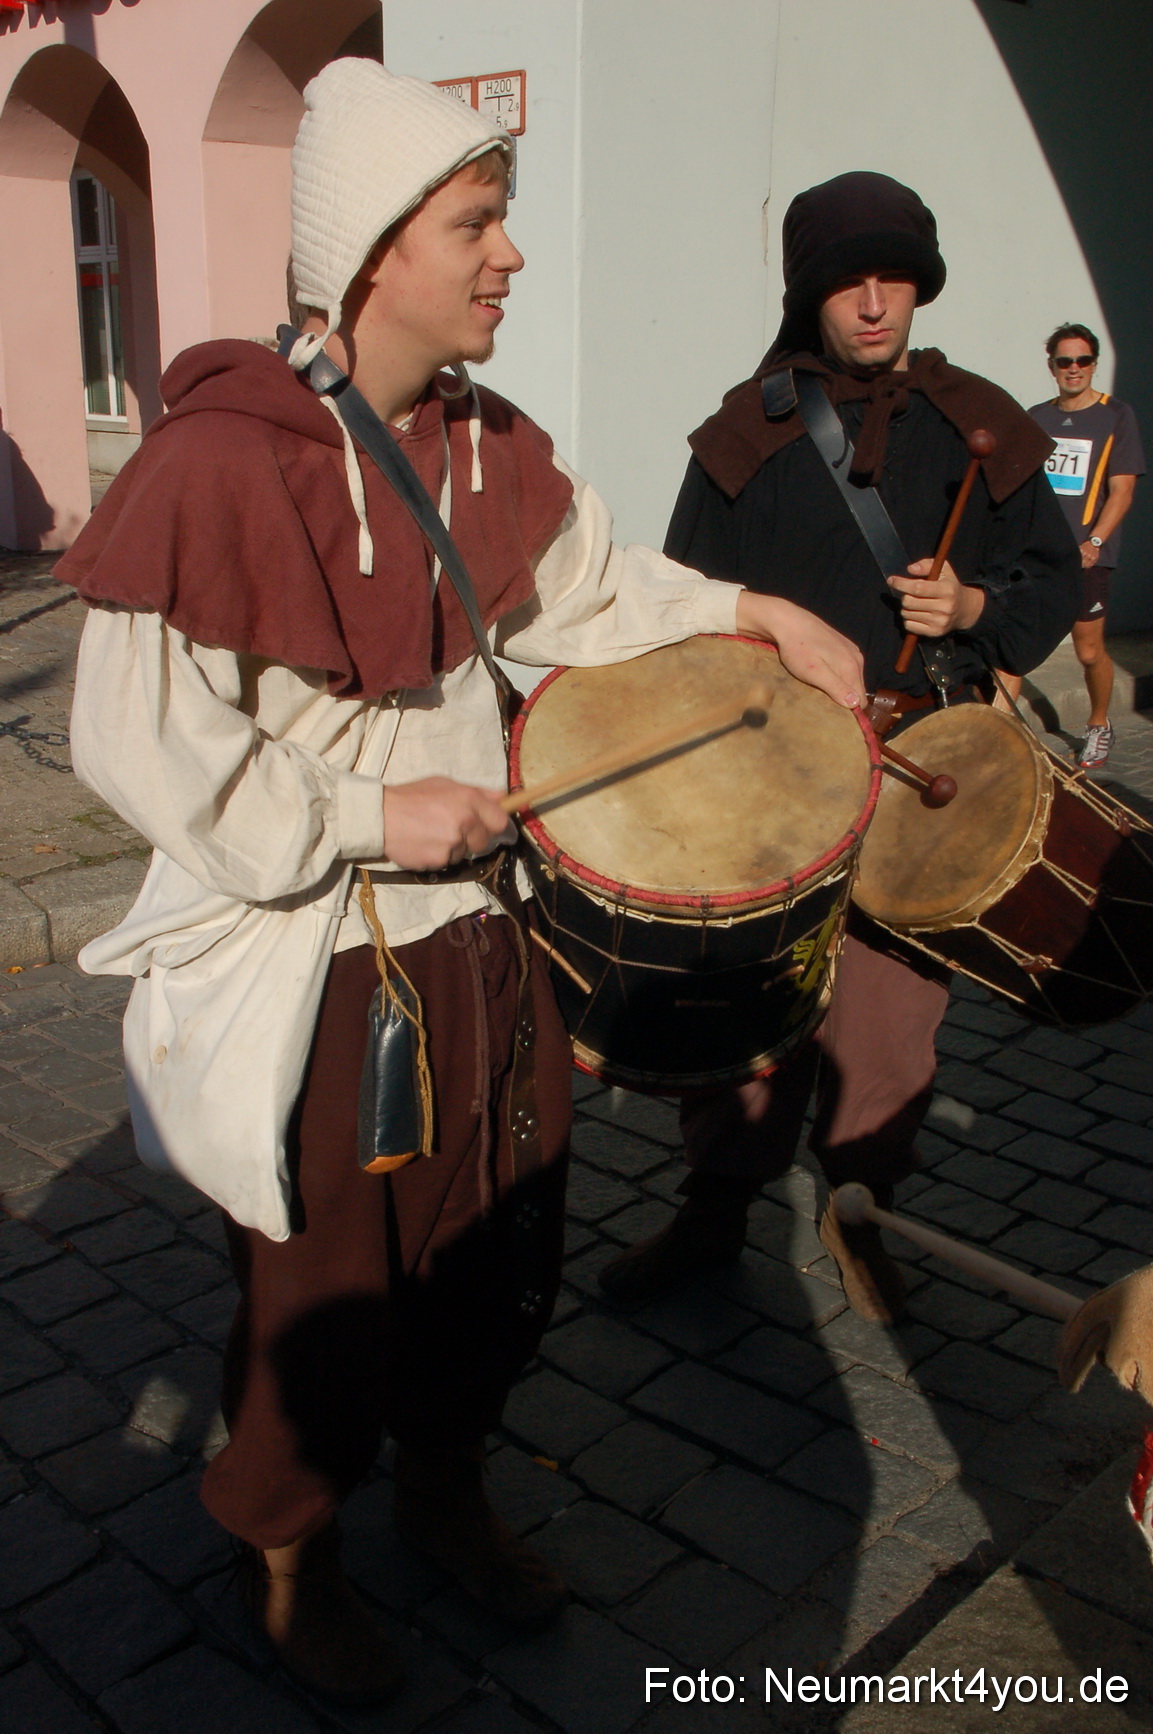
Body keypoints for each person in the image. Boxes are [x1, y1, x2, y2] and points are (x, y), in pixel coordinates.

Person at [57, 63, 864, 1707]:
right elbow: (136, 742)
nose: (508, 255)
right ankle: (289, 1551)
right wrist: (366, 807)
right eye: (475, 223)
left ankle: (446, 1489)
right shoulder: (220, 458)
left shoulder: (479, 444)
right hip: (325, 956)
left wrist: (751, 615)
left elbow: (591, 591)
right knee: (328, 1294)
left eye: (500, 219)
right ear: (369, 250)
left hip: (487, 941)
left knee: (504, 1249)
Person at [599, 171, 1080, 1325]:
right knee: (741, 1004)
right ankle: (714, 1217)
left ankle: (861, 1207)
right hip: (769, 770)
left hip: (921, 765)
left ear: (918, 287)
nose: (871, 305)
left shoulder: (983, 418)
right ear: (807, 295)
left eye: (893, 280)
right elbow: (688, 595)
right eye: (845, 283)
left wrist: (969, 611)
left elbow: (1053, 574)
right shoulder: (745, 427)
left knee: (889, 1017)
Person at [1027, 324, 1145, 769]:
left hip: (1087, 554)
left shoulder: (1116, 416)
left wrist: (1094, 540)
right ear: (1052, 366)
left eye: (1082, 361)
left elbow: (1123, 491)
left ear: (1094, 364)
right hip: (1040, 555)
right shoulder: (1037, 416)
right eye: (1064, 361)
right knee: (1015, 647)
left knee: (1089, 651)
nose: (1073, 369)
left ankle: (1099, 723)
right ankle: (1007, 735)